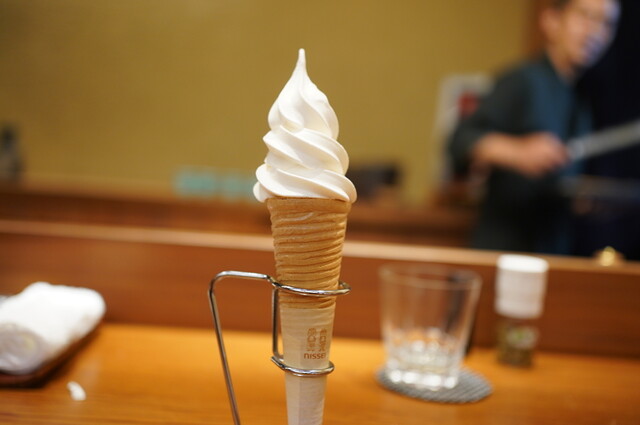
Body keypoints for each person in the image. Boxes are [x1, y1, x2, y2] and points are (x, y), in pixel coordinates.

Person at [448, 0, 621, 254]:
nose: (596, 31)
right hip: (505, 249)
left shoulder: (580, 100)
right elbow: (460, 140)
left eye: (607, 24)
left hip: (551, 250)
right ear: (551, 20)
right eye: (586, 16)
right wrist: (517, 152)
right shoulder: (523, 80)